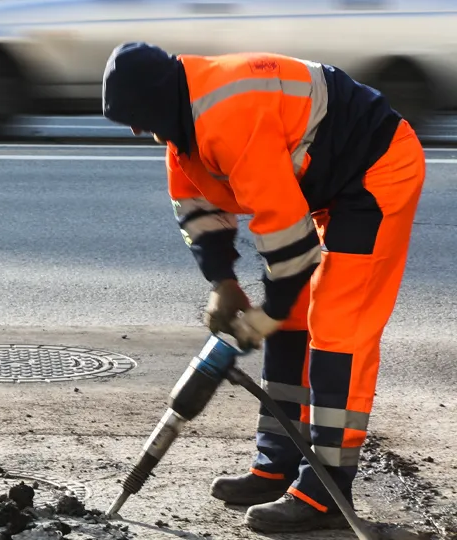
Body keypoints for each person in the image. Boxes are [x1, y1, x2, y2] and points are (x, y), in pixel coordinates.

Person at [101, 42, 426, 533]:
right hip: (325, 183)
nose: (134, 129)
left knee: (339, 327)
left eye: (136, 116)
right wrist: (223, 284)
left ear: (157, 99)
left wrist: (265, 311)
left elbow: (289, 242)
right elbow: (197, 210)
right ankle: (279, 463)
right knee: (290, 320)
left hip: (376, 171)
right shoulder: (182, 122)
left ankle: (326, 492)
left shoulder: (227, 114)